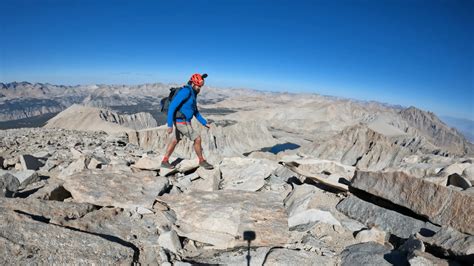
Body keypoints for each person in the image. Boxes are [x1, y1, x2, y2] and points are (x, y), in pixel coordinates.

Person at [161, 73, 214, 170]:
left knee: (175, 140)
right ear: (193, 84)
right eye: (198, 86)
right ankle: (201, 161)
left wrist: (203, 122)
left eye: (201, 86)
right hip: (182, 122)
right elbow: (172, 106)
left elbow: (195, 111)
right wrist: (169, 125)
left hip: (184, 121)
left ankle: (164, 161)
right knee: (197, 139)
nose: (200, 88)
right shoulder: (186, 91)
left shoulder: (193, 94)